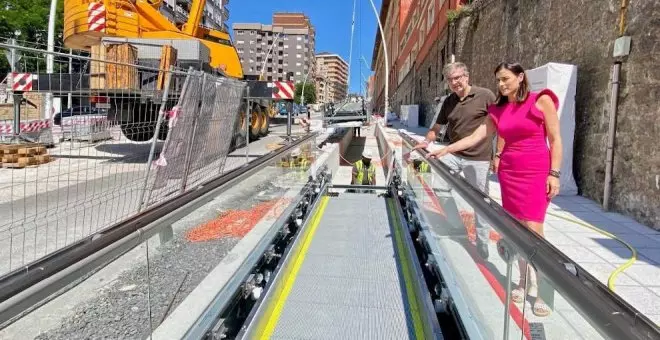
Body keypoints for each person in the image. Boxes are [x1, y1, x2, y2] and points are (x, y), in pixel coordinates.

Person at [427, 62, 563, 317]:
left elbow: (555, 139)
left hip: (535, 172)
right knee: (514, 229)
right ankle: (522, 281)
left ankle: (540, 287)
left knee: (534, 230)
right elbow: (477, 136)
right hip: (510, 174)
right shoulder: (500, 109)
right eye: (498, 80)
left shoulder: (541, 100)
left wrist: (554, 174)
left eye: (505, 79)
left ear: (520, 77)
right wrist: (446, 149)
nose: (501, 85)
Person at [413, 62, 496, 259]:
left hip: (479, 158)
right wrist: (426, 141)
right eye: (451, 80)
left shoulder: (485, 96)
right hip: (455, 155)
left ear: (466, 77)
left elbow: (500, 124)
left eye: (458, 78)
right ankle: (458, 226)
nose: (455, 82)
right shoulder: (449, 101)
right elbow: (436, 128)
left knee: (480, 202)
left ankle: (482, 242)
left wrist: (498, 155)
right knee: (439, 183)